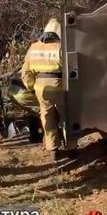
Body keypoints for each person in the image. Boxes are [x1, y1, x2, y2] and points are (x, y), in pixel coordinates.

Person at [21, 18, 77, 163]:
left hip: (41, 88)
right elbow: (71, 68)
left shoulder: (34, 47)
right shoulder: (61, 47)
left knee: (47, 118)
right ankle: (72, 148)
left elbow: (26, 72)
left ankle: (53, 150)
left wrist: (31, 87)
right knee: (66, 117)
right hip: (59, 85)